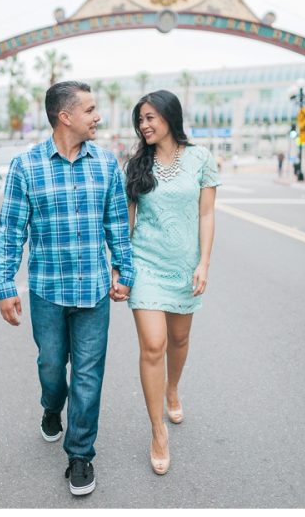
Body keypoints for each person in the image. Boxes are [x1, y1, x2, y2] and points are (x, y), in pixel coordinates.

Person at [0, 81, 134, 496]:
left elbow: (117, 226)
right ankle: (51, 407)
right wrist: (4, 284)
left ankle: (80, 455)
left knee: (89, 376)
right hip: (47, 292)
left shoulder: (107, 165)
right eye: (90, 110)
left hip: (93, 292)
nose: (98, 117)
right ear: (65, 116)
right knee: (52, 368)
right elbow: (10, 233)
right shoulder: (26, 166)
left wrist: (124, 270)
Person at [124, 90, 220, 475]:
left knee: (178, 340)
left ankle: (173, 388)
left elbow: (207, 215)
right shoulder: (135, 165)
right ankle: (156, 431)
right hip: (144, 262)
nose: (145, 125)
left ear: (169, 116)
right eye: (140, 120)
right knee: (153, 344)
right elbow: (127, 221)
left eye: (150, 117)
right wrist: (121, 268)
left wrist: (204, 263)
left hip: (184, 267)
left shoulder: (201, 158)